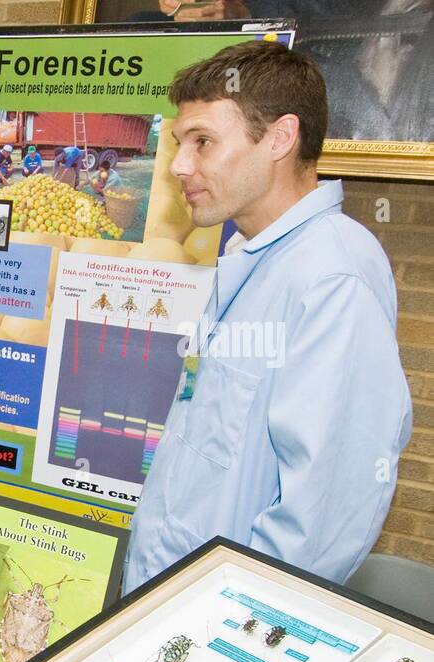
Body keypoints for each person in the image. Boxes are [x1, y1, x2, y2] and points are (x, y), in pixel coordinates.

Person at [123, 41, 411, 593]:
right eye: (180, 144)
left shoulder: (332, 276)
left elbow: (323, 518)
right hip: (166, 602)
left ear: (280, 138)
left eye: (202, 142)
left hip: (222, 627)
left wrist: (226, 618)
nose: (180, 165)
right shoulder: (248, 254)